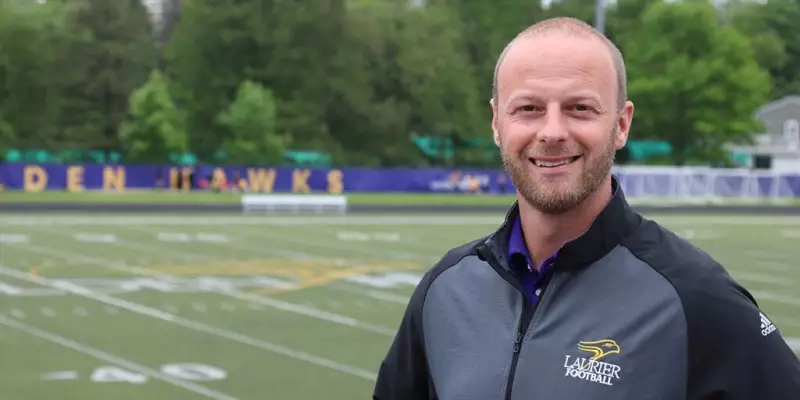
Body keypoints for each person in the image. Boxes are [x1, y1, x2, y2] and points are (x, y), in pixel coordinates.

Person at [372, 17, 800, 400]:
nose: (553, 131)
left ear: (621, 124)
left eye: (580, 108)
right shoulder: (445, 289)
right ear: (497, 124)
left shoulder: (696, 300)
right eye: (528, 109)